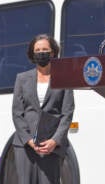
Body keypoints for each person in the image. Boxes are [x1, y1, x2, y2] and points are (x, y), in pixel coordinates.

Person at [12, 34, 74, 184]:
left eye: (45, 49)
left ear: (52, 52)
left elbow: (67, 113)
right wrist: (29, 140)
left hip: (51, 146)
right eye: (37, 50)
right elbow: (17, 113)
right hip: (25, 146)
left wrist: (55, 141)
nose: (41, 53)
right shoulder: (22, 78)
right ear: (32, 54)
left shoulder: (64, 77)